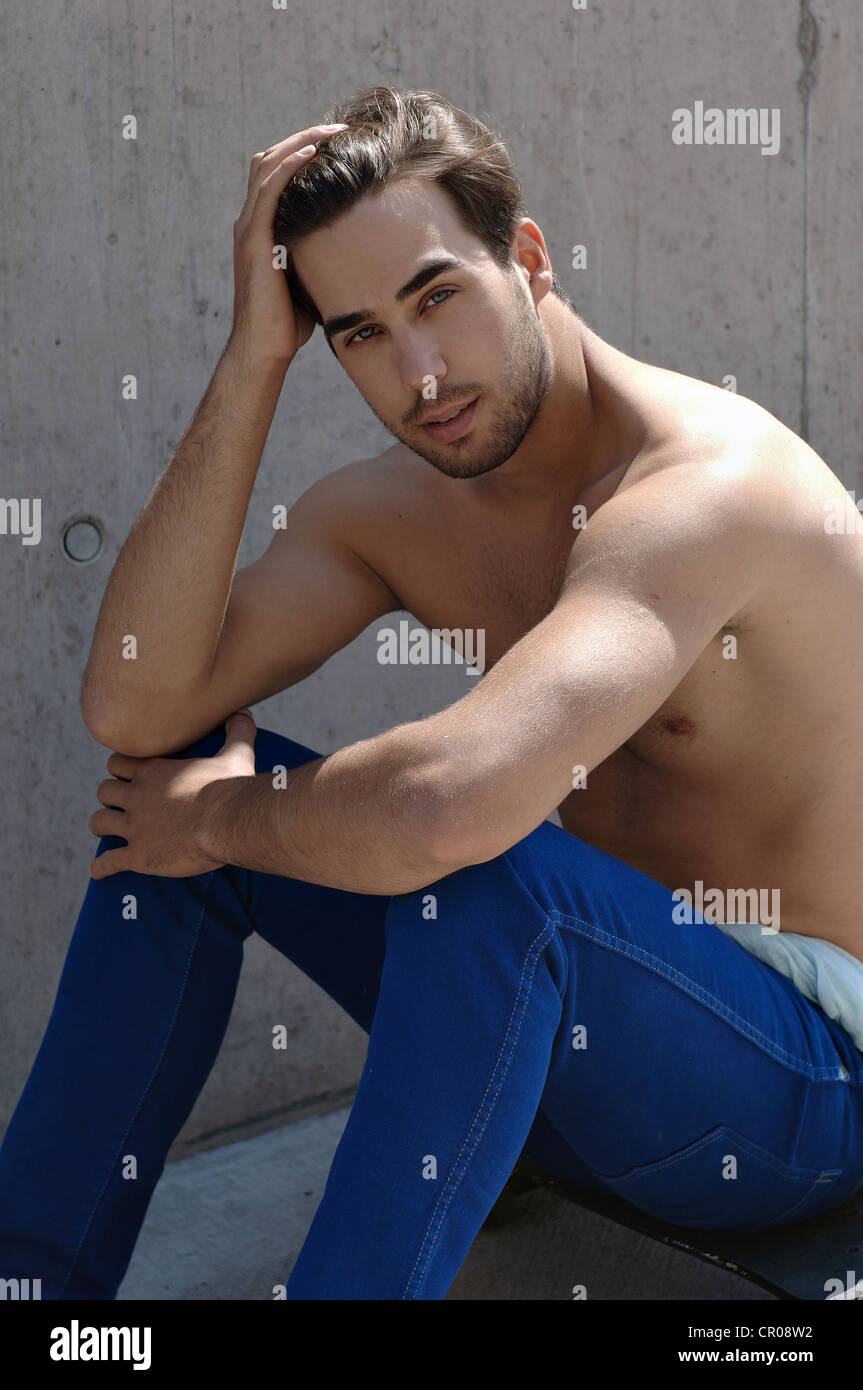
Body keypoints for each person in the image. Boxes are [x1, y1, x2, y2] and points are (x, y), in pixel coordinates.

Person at [2, 85, 863, 1302]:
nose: (417, 376)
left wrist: (225, 818)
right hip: (576, 1065)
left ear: (526, 257)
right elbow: (135, 707)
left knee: (482, 868)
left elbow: (451, 811)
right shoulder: (391, 512)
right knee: (173, 773)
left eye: (435, 297)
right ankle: (30, 1291)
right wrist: (252, 359)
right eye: (356, 333)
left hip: (794, 1090)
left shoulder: (704, 489)